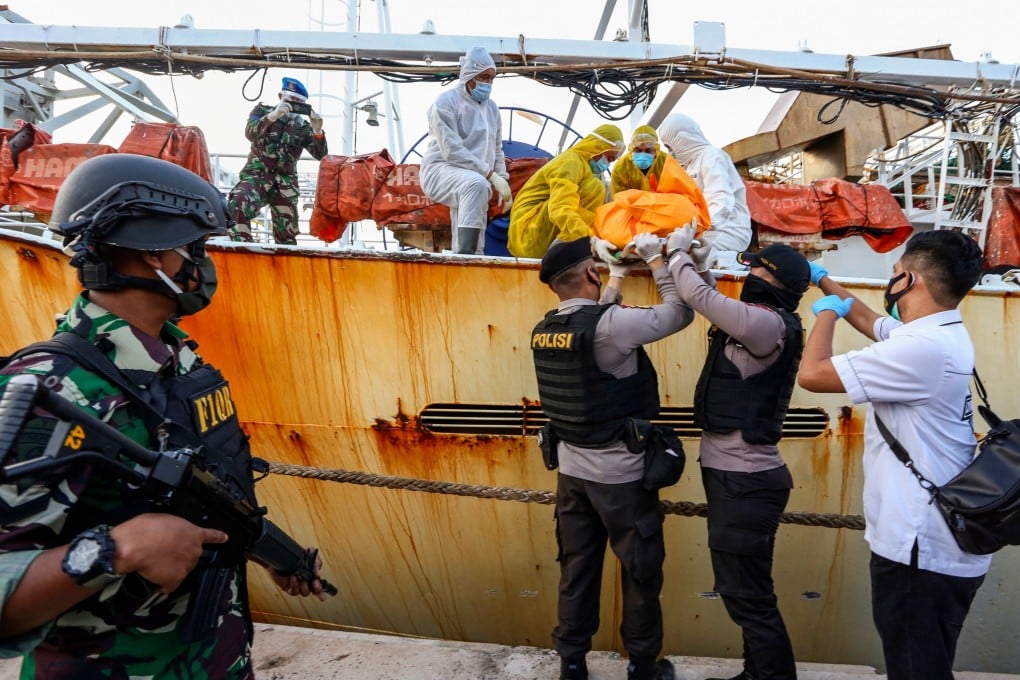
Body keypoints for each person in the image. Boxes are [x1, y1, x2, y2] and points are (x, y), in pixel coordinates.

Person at [0, 154, 327, 678]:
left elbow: (204, 497)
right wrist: (118, 549)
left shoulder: (179, 364)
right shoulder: (53, 387)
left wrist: (272, 554)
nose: (204, 264)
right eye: (196, 247)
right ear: (155, 254)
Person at [797, 230, 990, 680]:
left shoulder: (919, 349)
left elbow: (812, 374)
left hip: (919, 546)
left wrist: (824, 316)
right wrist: (821, 280)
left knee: (914, 668)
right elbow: (869, 320)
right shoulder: (940, 331)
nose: (891, 279)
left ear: (910, 280)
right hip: (945, 542)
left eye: (896, 271)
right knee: (926, 662)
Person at [531, 232, 697, 680]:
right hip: (620, 478)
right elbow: (680, 312)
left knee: (577, 568)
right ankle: (643, 666)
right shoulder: (613, 326)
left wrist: (618, 276)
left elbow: (597, 321)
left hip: (572, 475)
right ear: (591, 271)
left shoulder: (548, 329)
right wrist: (657, 261)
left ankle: (571, 663)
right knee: (640, 571)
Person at [664, 234, 810, 680]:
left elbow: (701, 298)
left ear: (773, 280)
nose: (749, 275)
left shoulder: (767, 325)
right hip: (739, 480)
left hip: (745, 482)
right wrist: (701, 266)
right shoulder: (760, 320)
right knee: (748, 589)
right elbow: (716, 303)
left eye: (756, 269)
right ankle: (755, 673)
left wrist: (674, 254)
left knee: (746, 595)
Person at [420, 47, 511, 255]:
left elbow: (496, 149)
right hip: (440, 170)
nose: (488, 83)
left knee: (474, 199)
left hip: (472, 176)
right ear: (469, 75)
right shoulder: (445, 103)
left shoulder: (492, 109)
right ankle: (465, 256)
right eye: (484, 77)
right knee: (476, 184)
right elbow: (452, 150)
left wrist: (503, 180)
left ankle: (470, 260)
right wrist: (491, 175)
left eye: (492, 78)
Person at [228, 76, 328, 245]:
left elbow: (321, 155)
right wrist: (272, 116)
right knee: (237, 204)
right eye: (290, 100)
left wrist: (317, 131)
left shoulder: (304, 127)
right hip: (257, 177)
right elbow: (250, 133)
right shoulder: (261, 111)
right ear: (280, 97)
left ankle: (284, 260)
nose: (293, 105)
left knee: (286, 235)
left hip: (285, 183)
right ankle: (244, 249)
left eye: (298, 102)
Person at [508, 124, 625, 260]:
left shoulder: (583, 167)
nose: (607, 164)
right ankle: (568, 247)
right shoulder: (571, 162)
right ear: (598, 147)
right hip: (528, 235)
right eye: (608, 158)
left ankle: (575, 244)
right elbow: (560, 208)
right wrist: (590, 239)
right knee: (595, 187)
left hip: (533, 232)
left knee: (600, 186)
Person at [658, 113, 752, 269]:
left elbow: (721, 200)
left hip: (728, 228)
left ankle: (736, 265)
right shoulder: (688, 166)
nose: (670, 153)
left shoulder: (712, 156)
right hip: (705, 230)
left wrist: (695, 227)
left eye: (669, 147)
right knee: (676, 256)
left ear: (681, 139)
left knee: (692, 259)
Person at [610, 125, 670, 195]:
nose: (643, 155)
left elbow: (674, 193)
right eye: (638, 150)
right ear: (631, 149)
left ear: (656, 149)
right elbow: (619, 197)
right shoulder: (621, 167)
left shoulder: (667, 162)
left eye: (648, 150)